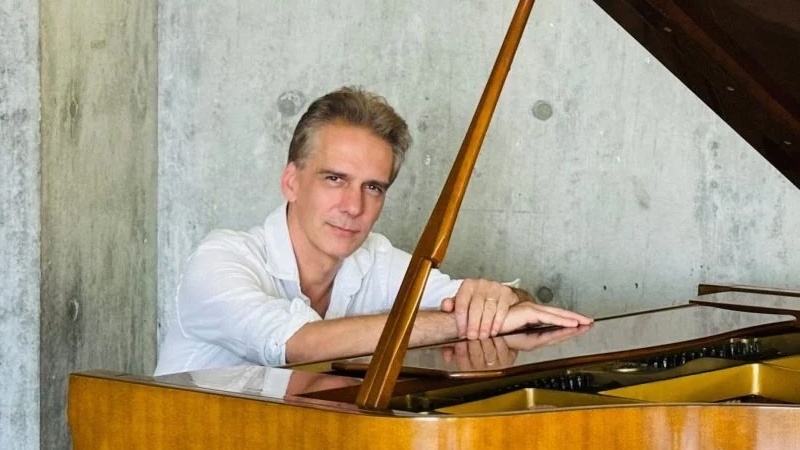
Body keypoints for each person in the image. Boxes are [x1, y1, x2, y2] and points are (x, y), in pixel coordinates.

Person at [154, 86, 592, 376]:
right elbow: (298, 344)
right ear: (291, 182)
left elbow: (497, 302)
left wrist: (504, 300)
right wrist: (461, 321)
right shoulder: (220, 260)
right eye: (334, 179)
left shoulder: (375, 260)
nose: (353, 206)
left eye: (373, 187)